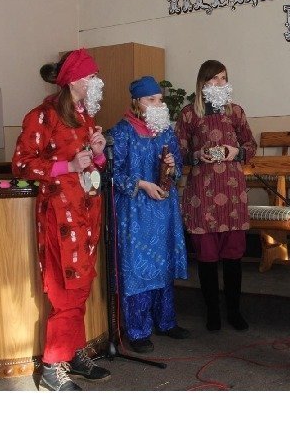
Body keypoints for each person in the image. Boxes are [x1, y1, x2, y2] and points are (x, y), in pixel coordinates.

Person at [12, 48, 111, 391]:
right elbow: (21, 164)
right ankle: (53, 367)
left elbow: (92, 167)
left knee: (81, 287)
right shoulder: (42, 116)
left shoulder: (86, 117)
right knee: (65, 290)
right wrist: (66, 166)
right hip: (59, 215)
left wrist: (98, 154)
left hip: (87, 212)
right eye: (92, 76)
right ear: (74, 81)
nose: (97, 81)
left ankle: (74, 352)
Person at [108, 76, 190, 354]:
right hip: (135, 212)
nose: (158, 104)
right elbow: (112, 173)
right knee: (138, 267)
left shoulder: (166, 132)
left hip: (163, 209)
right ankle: (138, 330)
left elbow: (178, 168)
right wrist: (142, 184)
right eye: (151, 99)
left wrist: (171, 166)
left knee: (163, 264)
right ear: (137, 102)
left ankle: (166, 321)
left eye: (160, 99)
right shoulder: (121, 132)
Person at [175, 60, 258, 332]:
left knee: (233, 256)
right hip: (202, 194)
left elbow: (250, 144)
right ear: (202, 83)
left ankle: (234, 311)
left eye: (223, 78)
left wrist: (237, 152)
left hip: (232, 193)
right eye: (213, 79)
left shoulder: (236, 112)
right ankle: (212, 312)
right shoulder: (189, 114)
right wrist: (197, 155)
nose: (219, 83)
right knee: (207, 257)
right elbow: (178, 153)